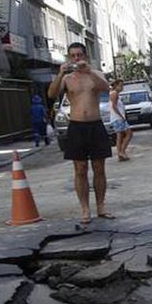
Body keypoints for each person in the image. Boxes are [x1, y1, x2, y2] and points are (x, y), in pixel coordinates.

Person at [47, 42, 113, 224]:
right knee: (80, 169)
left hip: (95, 124)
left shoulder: (95, 74)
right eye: (73, 56)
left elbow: (106, 87)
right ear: (69, 58)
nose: (76, 58)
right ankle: (85, 209)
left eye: (79, 55)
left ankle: (101, 206)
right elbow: (51, 94)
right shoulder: (67, 79)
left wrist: (89, 71)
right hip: (76, 126)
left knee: (99, 168)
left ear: (85, 56)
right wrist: (60, 74)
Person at [109, 79, 133, 161]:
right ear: (116, 86)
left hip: (116, 118)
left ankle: (120, 154)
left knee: (119, 136)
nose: (122, 88)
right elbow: (114, 106)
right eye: (120, 86)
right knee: (129, 133)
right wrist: (121, 116)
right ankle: (122, 151)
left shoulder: (114, 93)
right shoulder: (114, 93)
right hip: (118, 118)